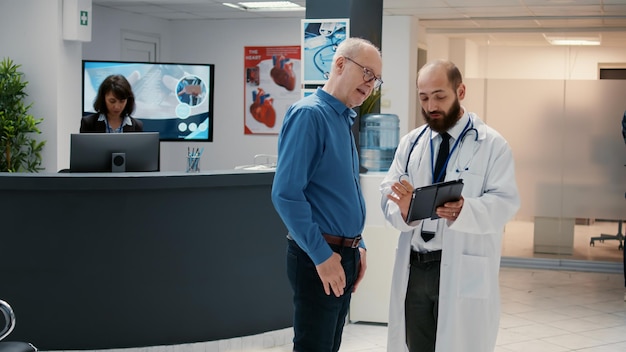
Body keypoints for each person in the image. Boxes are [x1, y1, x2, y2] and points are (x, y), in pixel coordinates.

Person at [380, 59, 520, 352]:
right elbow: (388, 194)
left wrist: (465, 211)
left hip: (461, 267)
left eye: (440, 96)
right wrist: (403, 209)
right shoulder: (411, 144)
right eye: (424, 97)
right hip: (416, 268)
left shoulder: (492, 145)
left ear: (461, 91)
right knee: (416, 344)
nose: (431, 105)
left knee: (460, 344)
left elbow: (506, 203)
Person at [271, 37, 383, 352]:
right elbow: (286, 195)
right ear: (339, 64)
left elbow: (337, 194)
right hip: (318, 255)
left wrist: (357, 244)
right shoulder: (310, 115)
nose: (370, 84)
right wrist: (323, 257)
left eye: (375, 79)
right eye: (366, 73)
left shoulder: (342, 119)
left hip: (342, 254)